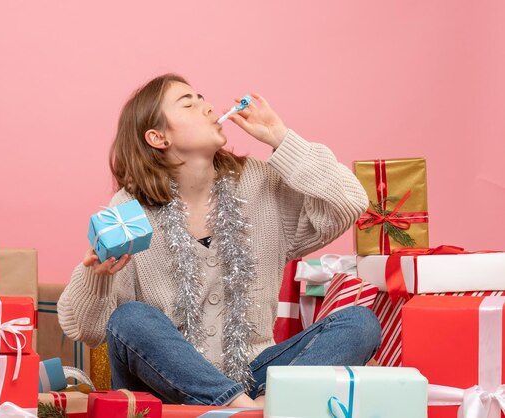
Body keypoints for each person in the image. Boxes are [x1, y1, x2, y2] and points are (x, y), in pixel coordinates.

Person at [58, 73, 381, 408]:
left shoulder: (261, 184)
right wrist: (98, 278)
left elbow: (349, 202)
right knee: (130, 318)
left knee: (360, 323)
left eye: (202, 98)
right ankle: (248, 411)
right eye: (189, 102)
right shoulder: (130, 208)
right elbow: (86, 329)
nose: (208, 106)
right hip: (164, 387)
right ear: (158, 137)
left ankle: (267, 406)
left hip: (256, 375)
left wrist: (282, 139)